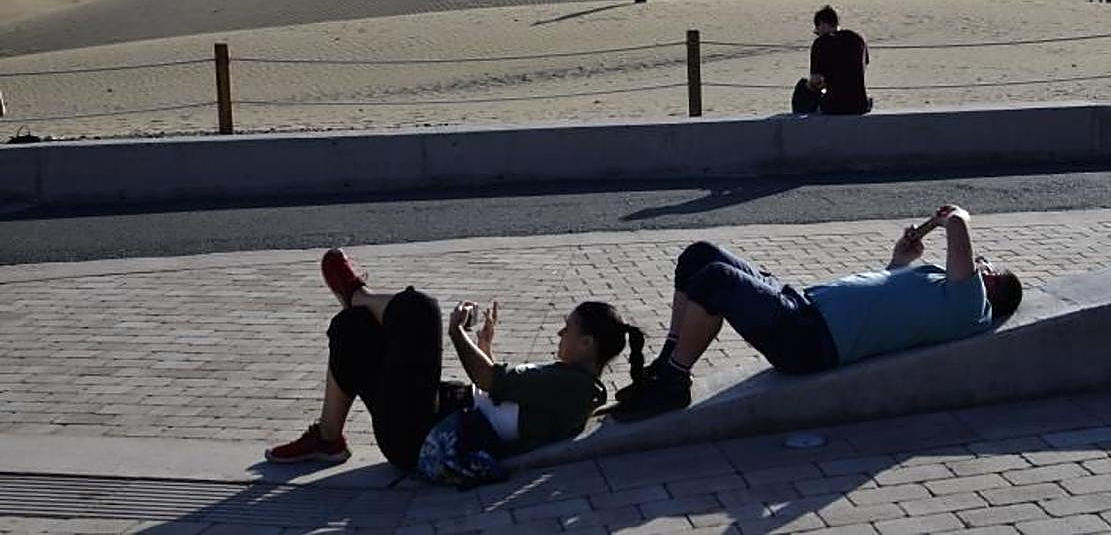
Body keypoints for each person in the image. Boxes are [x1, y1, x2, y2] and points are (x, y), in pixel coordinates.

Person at [266, 249, 645, 487]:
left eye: (568, 328)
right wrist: (485, 346)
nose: (560, 333)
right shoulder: (571, 384)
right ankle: (328, 438)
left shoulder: (574, 386)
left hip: (422, 437)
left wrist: (457, 333)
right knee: (353, 328)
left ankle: (355, 294)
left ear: (587, 344)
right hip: (422, 425)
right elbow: (500, 400)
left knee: (421, 309)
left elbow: (488, 379)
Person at [614, 204, 1023, 420]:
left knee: (716, 280)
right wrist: (900, 261)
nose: (978, 263)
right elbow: (889, 301)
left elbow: (959, 229)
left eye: (985, 266)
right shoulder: (951, 297)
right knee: (699, 256)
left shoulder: (972, 307)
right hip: (802, 306)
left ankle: (675, 380)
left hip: (811, 341)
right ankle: (667, 363)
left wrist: (957, 217)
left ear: (990, 280)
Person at [791, 5, 871, 115]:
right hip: (860, 105)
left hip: (834, 106)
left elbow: (816, 80)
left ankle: (799, 122)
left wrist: (809, 86)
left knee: (801, 86)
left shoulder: (821, 43)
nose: (818, 33)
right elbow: (862, 66)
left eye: (817, 30)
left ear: (823, 24)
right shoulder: (858, 39)